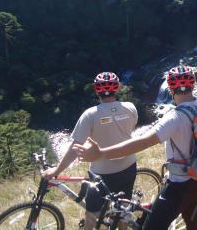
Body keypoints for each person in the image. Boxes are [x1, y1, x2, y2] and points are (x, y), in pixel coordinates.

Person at [74, 65, 197, 230]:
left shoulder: (174, 118)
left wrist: (101, 153)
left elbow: (143, 142)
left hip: (179, 184)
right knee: (192, 214)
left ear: (170, 88)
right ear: (193, 85)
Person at [42, 72, 138, 230]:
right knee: (121, 208)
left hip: (102, 174)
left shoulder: (90, 114)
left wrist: (56, 170)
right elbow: (128, 130)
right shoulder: (130, 108)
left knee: (91, 217)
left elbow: (75, 148)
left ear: (96, 90)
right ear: (118, 88)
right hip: (129, 167)